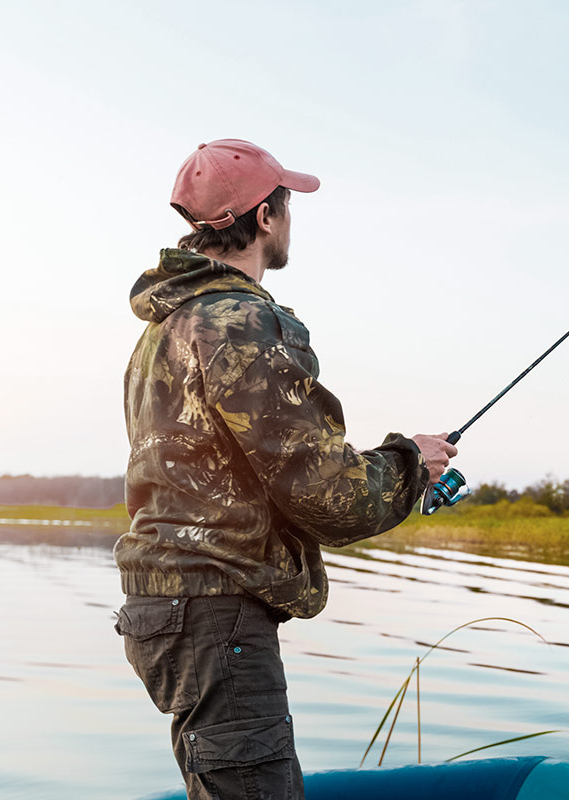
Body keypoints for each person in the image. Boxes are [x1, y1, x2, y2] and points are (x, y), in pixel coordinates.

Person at [113, 138, 457, 800]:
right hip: (217, 614)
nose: (291, 217)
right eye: (287, 204)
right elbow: (327, 495)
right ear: (265, 218)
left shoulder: (163, 328)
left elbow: (235, 471)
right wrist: (411, 462)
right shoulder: (238, 319)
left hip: (162, 607)